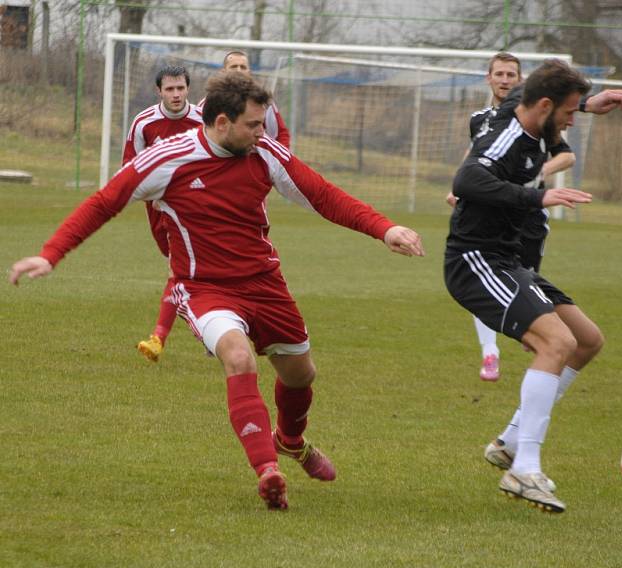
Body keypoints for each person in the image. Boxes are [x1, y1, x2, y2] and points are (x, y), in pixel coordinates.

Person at [10, 72, 425, 511]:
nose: (262, 132)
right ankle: (268, 471)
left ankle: (290, 440)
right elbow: (104, 202)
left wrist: (384, 228)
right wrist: (51, 254)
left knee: (301, 376)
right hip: (203, 288)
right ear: (222, 123)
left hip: (265, 283)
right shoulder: (167, 159)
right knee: (238, 356)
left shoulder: (264, 153)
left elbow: (321, 194)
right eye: (253, 124)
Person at [444, 59, 622, 513]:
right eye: (566, 112)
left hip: (510, 261)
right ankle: (524, 468)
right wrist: (537, 195)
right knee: (556, 341)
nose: (570, 121)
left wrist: (587, 102)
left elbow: (531, 92)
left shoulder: (529, 114)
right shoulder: (506, 135)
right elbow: (466, 179)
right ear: (544, 107)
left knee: (586, 340)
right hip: (476, 260)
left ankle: (509, 442)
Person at [137, 51, 292, 363]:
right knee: (186, 269)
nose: (239, 71)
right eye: (233, 66)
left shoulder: (263, 106)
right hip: (173, 205)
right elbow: (133, 169)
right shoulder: (186, 116)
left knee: (193, 268)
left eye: (243, 67)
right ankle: (217, 326)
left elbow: (281, 139)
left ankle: (165, 336)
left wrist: (272, 171)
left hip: (236, 203)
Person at [446, 52, 578, 383]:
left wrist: (537, 176)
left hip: (529, 218)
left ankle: (531, 331)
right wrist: (463, 186)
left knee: (525, 289)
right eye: (499, 74)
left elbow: (566, 155)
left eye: (511, 74)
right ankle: (490, 350)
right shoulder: (482, 119)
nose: (505, 79)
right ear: (488, 78)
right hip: (495, 218)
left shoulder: (540, 123)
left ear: (522, 81)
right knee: (490, 282)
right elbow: (475, 159)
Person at [124, 66, 205, 363]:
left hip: (196, 209)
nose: (176, 94)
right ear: (159, 91)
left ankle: (159, 338)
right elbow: (130, 169)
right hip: (158, 208)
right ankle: (210, 327)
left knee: (179, 269)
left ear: (188, 89)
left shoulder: (201, 120)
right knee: (185, 271)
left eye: (181, 88)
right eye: (170, 89)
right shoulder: (144, 123)